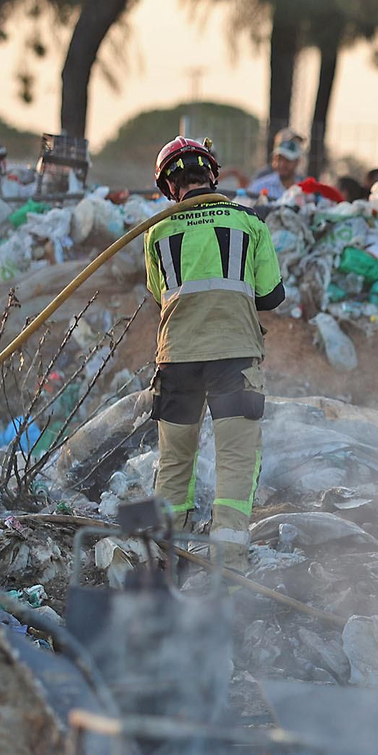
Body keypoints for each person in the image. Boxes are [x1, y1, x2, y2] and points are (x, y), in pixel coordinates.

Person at [146, 136, 286, 569]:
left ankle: (167, 559)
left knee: (174, 460)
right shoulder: (249, 223)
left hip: (176, 358)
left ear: (169, 187)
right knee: (236, 457)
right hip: (234, 356)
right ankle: (229, 559)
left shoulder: (156, 231)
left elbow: (160, 297)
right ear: (212, 174)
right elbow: (271, 296)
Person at [247, 129, 304, 200]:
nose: (282, 164)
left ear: (297, 162)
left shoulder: (305, 189)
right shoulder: (259, 185)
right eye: (278, 159)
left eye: (288, 160)